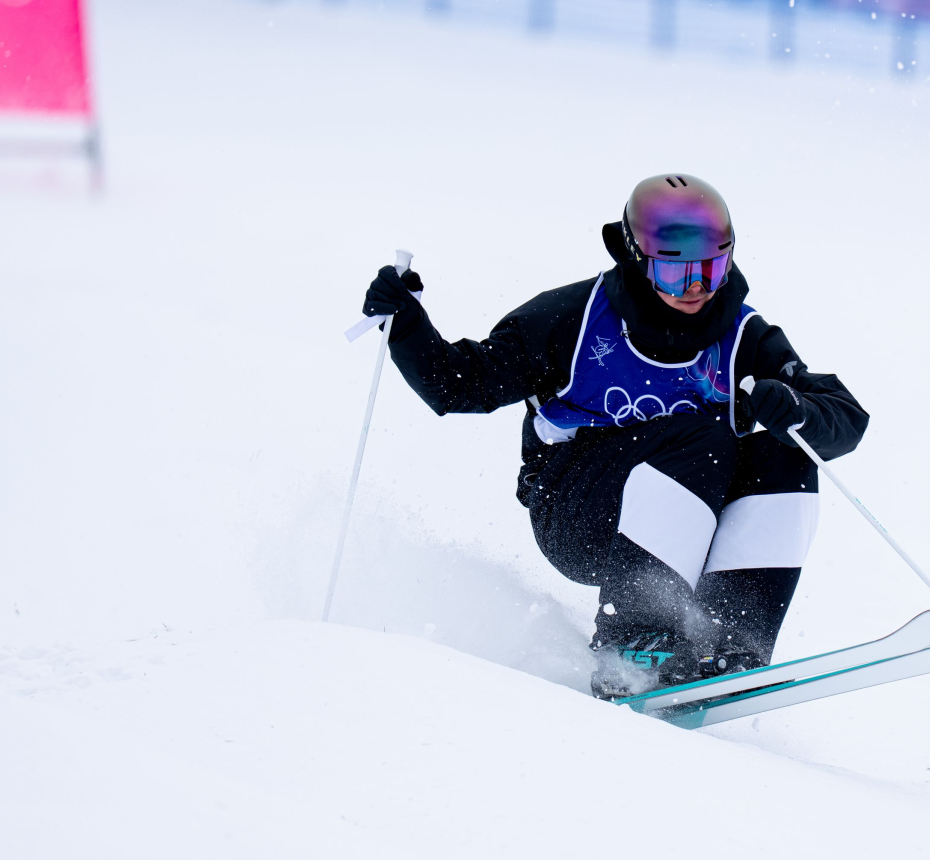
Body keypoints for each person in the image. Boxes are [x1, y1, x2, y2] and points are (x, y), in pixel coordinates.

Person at [361, 174, 869, 699]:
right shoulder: (569, 321)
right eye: (676, 273)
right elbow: (458, 384)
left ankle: (728, 644)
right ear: (636, 258)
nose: (697, 289)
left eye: (713, 269)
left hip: (688, 524)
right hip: (578, 514)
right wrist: (405, 326)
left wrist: (798, 412)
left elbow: (845, 418)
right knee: (705, 434)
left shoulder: (742, 333)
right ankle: (635, 645)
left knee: (785, 455)